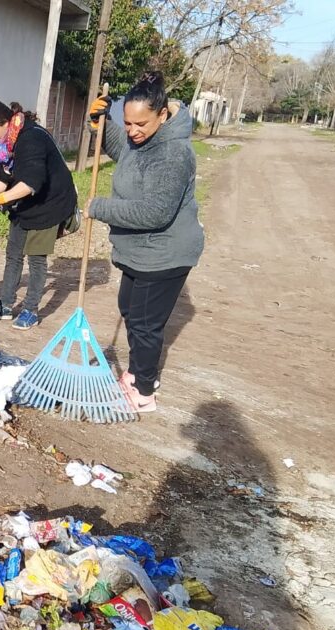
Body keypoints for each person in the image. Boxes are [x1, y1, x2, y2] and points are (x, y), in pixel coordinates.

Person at [84, 71, 203, 413]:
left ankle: (144, 391)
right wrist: (102, 124)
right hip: (141, 251)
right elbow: (122, 148)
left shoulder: (174, 154)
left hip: (165, 252)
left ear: (162, 115)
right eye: (128, 122)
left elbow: (154, 213)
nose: (133, 131)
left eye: (141, 124)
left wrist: (100, 207)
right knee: (130, 308)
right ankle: (138, 372)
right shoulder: (141, 142)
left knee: (145, 323)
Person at [0, 100, 78, 330]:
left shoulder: (32, 138)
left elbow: (30, 184)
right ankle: (6, 304)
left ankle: (31, 309)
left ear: (1, 122)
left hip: (50, 202)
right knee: (13, 254)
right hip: (23, 204)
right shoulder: (2, 143)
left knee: (36, 259)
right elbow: (4, 178)